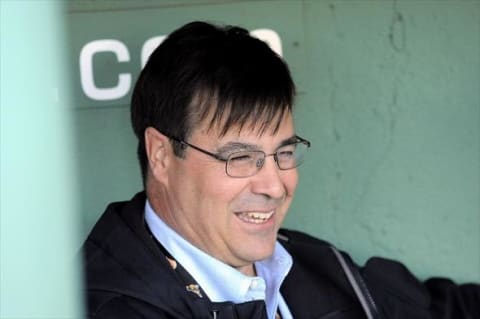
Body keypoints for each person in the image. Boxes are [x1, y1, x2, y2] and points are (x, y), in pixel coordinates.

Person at [82, 21, 479, 319]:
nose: (274, 185)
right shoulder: (107, 306)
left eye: (284, 153)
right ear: (162, 155)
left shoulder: (310, 264)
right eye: (239, 157)